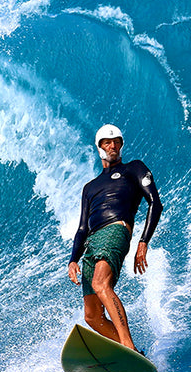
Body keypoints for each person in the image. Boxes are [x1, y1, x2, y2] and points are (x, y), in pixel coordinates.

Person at [67, 124, 162, 352]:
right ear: (99, 147)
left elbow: (155, 204)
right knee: (92, 316)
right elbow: (81, 229)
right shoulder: (90, 188)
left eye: (117, 142)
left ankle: (127, 344)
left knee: (101, 283)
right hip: (92, 242)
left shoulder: (134, 169)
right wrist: (73, 259)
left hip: (116, 231)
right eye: (108, 142)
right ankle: (131, 352)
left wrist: (143, 241)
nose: (113, 146)